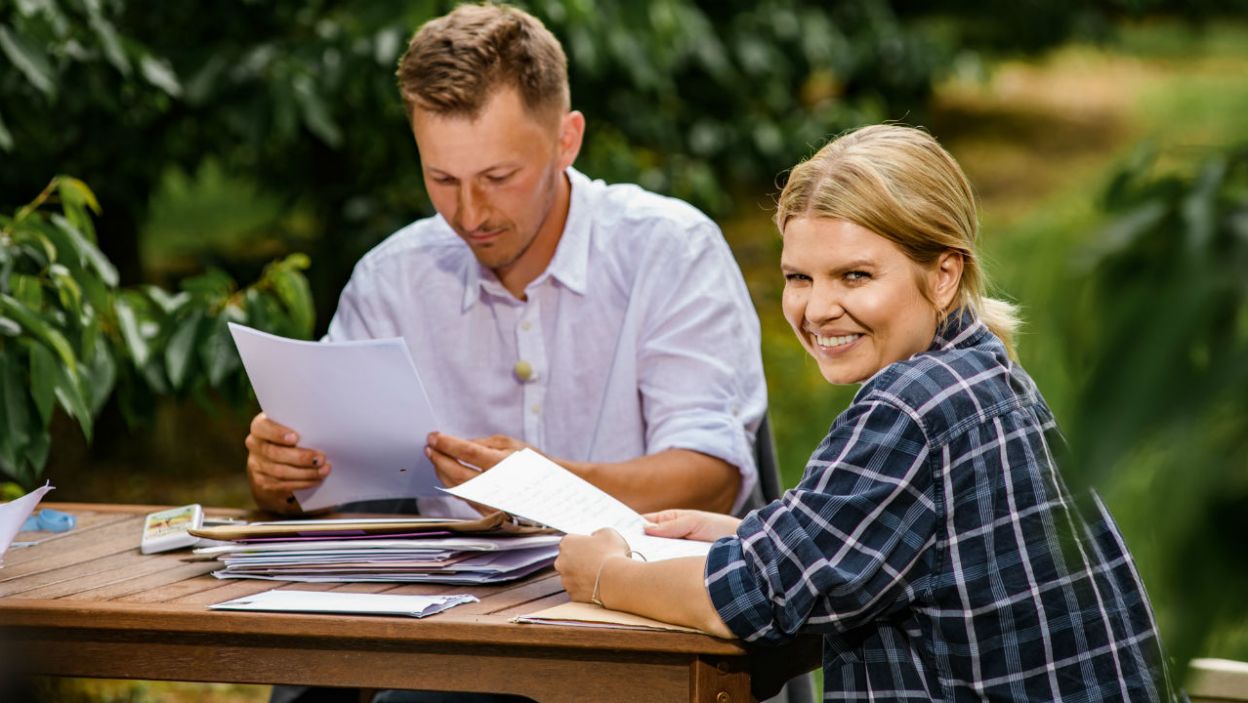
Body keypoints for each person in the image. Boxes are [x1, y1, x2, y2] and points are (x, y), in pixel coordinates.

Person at [555, 125, 1174, 701]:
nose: (817, 308)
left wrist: (605, 575)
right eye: (799, 277)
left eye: (854, 276)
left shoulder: (911, 407)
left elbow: (753, 599)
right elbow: (890, 542)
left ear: (943, 275)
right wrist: (743, 535)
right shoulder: (981, 371)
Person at [243, 3, 766, 521]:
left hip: (636, 573)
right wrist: (281, 479)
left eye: (498, 178)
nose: (469, 214)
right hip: (442, 576)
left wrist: (549, 491)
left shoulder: (671, 250)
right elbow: (319, 486)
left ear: (566, 142)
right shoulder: (391, 280)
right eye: (443, 179)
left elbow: (713, 482)